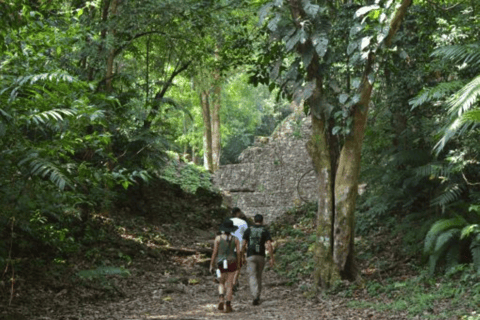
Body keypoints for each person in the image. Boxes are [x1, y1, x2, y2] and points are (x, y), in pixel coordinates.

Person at [241, 214, 274, 306]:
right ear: (262, 221)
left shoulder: (248, 230)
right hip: (261, 256)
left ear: (254, 220)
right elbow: (269, 245)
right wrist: (271, 258)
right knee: (259, 276)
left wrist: (242, 256)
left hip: (250, 256)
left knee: (252, 276)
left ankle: (254, 295)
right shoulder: (265, 230)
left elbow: (243, 244)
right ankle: (257, 295)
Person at [210, 219, 242, 313]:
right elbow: (239, 252)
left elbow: (214, 252)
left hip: (220, 262)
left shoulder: (218, 238)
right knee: (229, 285)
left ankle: (221, 298)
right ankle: (228, 304)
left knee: (221, 282)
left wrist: (211, 264)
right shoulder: (235, 239)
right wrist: (239, 263)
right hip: (232, 262)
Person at [230, 207, 248, 290]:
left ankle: (231, 281)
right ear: (237, 213)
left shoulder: (228, 222)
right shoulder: (243, 222)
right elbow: (246, 236)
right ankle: (234, 281)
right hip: (239, 246)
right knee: (238, 265)